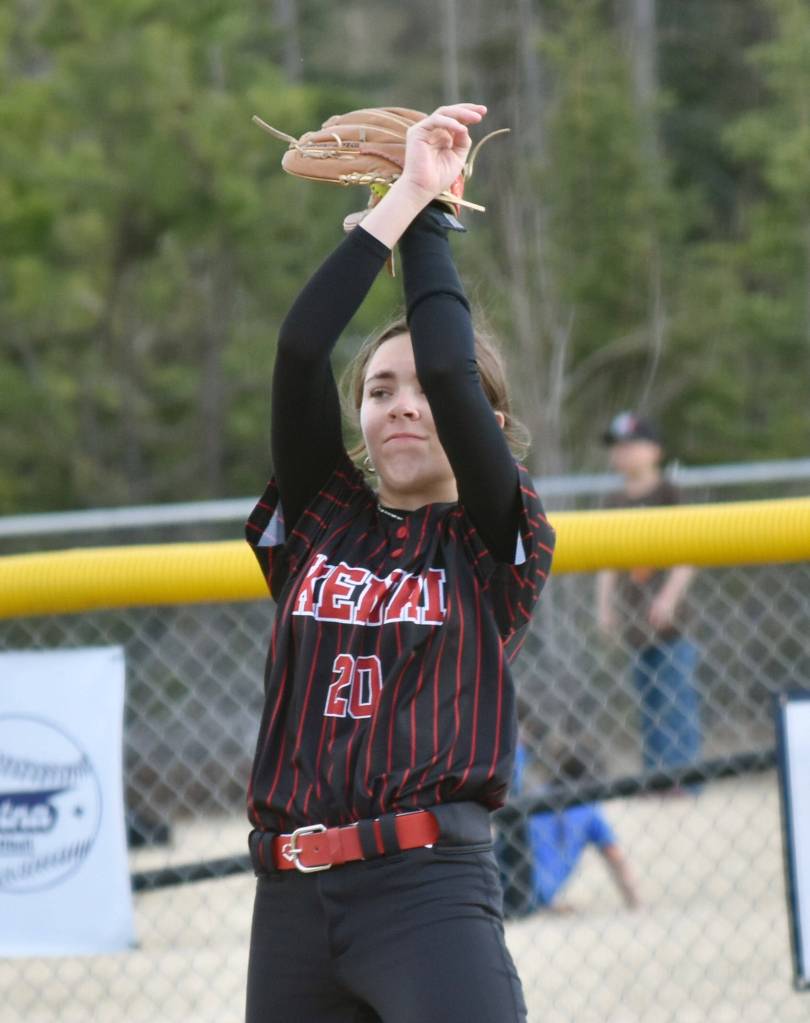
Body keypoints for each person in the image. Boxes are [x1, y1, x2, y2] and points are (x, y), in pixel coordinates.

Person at [243, 104, 555, 1023]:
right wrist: (396, 206)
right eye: (380, 391)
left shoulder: (495, 540)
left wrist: (429, 216)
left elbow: (459, 374)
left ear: (488, 433)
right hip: (291, 899)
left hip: (425, 893)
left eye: (420, 391)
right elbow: (301, 348)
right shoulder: (325, 517)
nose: (403, 405)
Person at [596, 411, 702, 780]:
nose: (622, 455)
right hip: (635, 621)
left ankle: (682, 779)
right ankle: (657, 777)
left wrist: (668, 598)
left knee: (676, 700)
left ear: (654, 450)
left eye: (631, 446)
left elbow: (689, 552)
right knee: (649, 702)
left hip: (672, 624)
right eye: (617, 448)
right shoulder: (614, 499)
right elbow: (607, 559)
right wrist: (605, 606)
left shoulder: (669, 492)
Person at [497, 743, 639, 916]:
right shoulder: (590, 811)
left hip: (495, 879)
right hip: (533, 895)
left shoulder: (536, 796)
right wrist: (634, 901)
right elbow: (615, 857)